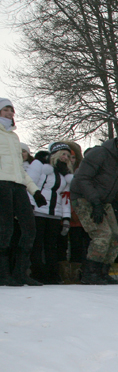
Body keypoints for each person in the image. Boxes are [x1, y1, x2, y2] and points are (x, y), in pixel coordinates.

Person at [69, 130, 118, 284]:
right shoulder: (99, 154)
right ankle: (89, 273)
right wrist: (95, 203)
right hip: (84, 198)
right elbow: (82, 179)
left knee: (115, 236)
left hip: (104, 202)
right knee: (102, 235)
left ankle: (103, 271)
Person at [0, 97, 46, 286]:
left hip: (18, 186)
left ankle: (20, 272)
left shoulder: (14, 137)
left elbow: (20, 168)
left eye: (11, 110)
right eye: (5, 110)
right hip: (2, 184)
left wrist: (35, 191)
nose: (10, 113)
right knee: (5, 230)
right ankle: (3, 274)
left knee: (29, 228)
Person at [27, 142, 74, 283]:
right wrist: (29, 206)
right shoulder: (40, 166)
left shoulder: (65, 173)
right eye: (63, 154)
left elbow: (65, 197)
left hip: (55, 214)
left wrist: (66, 217)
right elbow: (30, 185)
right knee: (37, 244)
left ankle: (52, 274)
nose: (65, 157)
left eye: (68, 155)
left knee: (51, 245)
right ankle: (38, 273)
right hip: (38, 211)